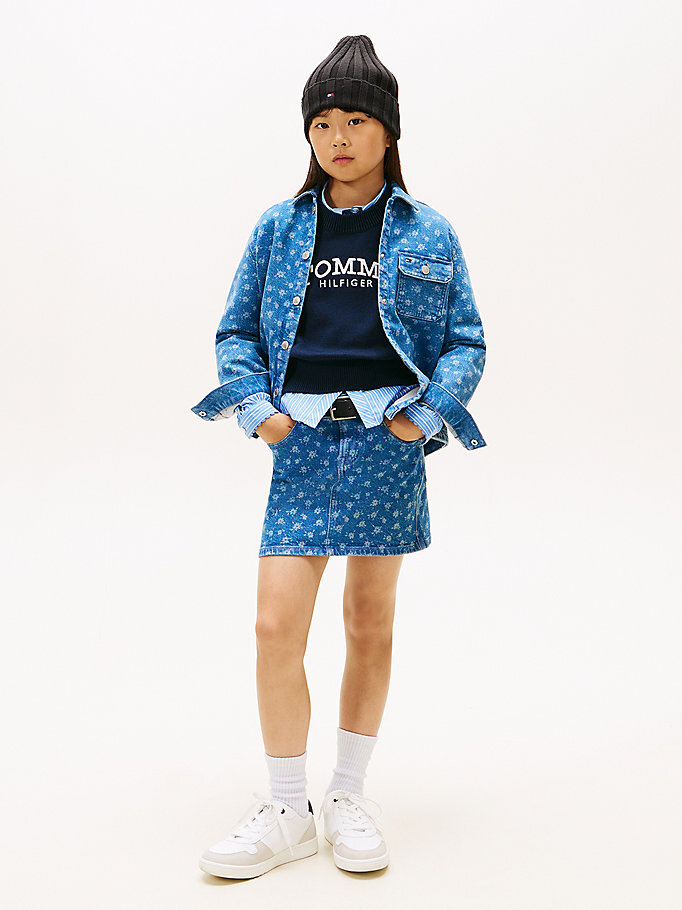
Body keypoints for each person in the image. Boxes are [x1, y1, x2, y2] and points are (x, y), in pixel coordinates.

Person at [191, 34, 487, 879]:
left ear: (388, 130)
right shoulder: (279, 227)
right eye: (323, 123)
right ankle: (288, 807)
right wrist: (261, 415)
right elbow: (236, 330)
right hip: (304, 442)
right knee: (274, 625)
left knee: (368, 620)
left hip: (388, 441)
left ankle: (349, 793)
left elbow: (465, 340)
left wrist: (420, 420)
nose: (339, 137)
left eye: (356, 120)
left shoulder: (430, 230)